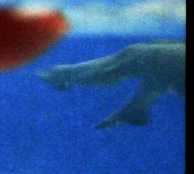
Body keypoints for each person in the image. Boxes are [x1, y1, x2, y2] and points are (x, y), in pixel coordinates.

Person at [38, 40, 185, 129]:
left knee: (129, 62)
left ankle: (60, 74)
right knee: (142, 65)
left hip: (154, 58)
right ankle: (135, 111)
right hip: (157, 60)